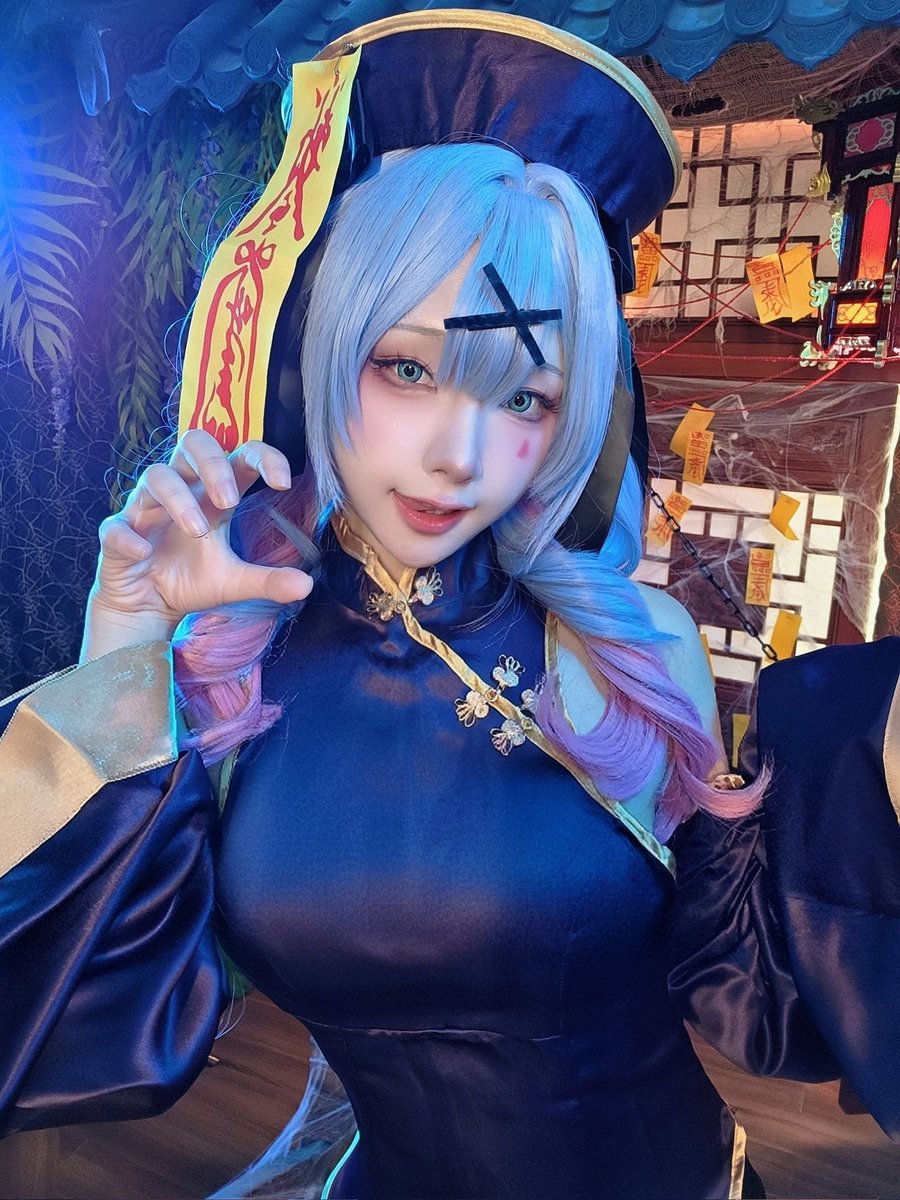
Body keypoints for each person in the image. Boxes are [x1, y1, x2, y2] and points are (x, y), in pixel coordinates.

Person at [0, 13, 895, 1200]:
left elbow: (748, 989)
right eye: (409, 367)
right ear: (325, 344)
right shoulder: (228, 666)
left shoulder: (630, 647)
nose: (458, 458)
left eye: (525, 397)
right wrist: (121, 640)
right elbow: (76, 1026)